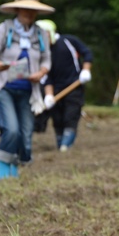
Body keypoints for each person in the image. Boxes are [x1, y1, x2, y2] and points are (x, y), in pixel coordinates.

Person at [0, 0, 53, 179]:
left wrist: (41, 72)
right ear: (17, 9)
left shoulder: (40, 34)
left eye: (33, 10)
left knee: (25, 136)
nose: (29, 13)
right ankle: (4, 172)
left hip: (28, 91)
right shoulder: (4, 29)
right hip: (3, 87)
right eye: (25, 9)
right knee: (12, 130)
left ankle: (14, 169)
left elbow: (47, 59)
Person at [36, 20, 93, 152]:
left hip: (74, 86)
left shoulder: (69, 41)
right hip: (56, 90)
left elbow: (87, 53)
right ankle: (60, 144)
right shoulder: (42, 54)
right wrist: (49, 95)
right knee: (57, 119)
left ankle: (66, 146)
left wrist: (86, 70)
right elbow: (47, 77)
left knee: (70, 116)